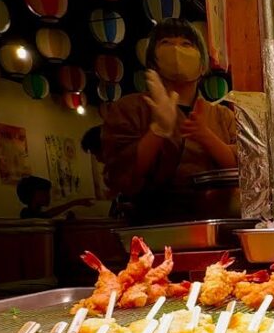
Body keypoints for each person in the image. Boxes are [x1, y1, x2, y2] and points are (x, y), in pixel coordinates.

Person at [100, 18, 237, 223]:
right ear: (152, 61)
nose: (176, 50)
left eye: (186, 44)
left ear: (202, 65)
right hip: (150, 225)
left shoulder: (222, 115)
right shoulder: (129, 107)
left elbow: (242, 169)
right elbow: (121, 175)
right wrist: (158, 129)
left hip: (214, 222)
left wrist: (205, 136)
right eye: (166, 43)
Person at [17, 175, 93, 219]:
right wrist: (75, 203)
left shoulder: (39, 212)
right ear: (33, 194)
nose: (48, 196)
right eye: (44, 192)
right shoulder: (26, 214)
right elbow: (46, 215)